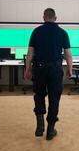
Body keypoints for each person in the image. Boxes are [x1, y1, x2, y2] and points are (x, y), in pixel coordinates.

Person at [24, 8, 73, 140]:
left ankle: (40, 127)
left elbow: (30, 53)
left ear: (44, 17)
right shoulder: (63, 33)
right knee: (54, 98)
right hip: (56, 69)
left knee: (39, 95)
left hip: (39, 68)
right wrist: (70, 68)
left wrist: (27, 69)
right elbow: (68, 54)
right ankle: (50, 130)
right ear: (55, 18)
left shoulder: (36, 31)